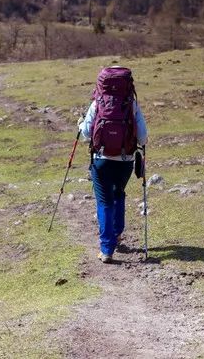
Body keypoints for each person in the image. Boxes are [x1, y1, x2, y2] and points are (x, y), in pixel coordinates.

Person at [78, 67, 148, 263]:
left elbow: (86, 133)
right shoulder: (131, 104)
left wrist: (80, 125)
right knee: (119, 193)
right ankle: (117, 234)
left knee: (104, 201)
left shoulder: (97, 102)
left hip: (101, 160)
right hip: (125, 161)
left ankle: (107, 249)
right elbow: (143, 137)